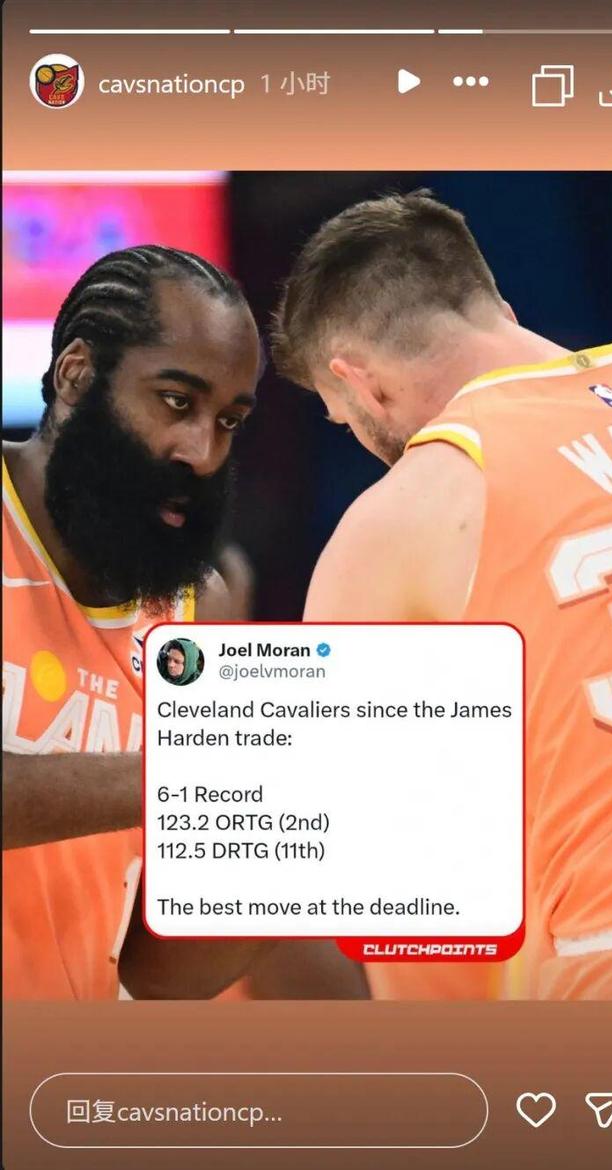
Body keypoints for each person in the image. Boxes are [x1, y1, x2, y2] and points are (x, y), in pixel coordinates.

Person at [272, 191, 612, 1000]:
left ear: (360, 385)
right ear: (500, 309)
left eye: (343, 421)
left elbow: (420, 910)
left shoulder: (395, 522)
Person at [3, 244, 366, 1002]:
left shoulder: (199, 605)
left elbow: (162, 973)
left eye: (229, 421)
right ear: (76, 374)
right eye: (176, 401)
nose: (202, 452)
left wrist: (308, 842)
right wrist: (195, 773)